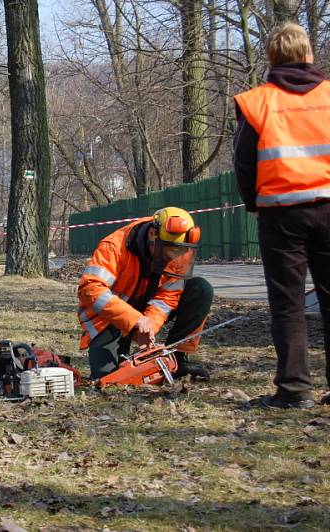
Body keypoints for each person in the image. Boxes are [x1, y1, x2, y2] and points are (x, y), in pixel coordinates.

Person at [233, 22, 330, 409]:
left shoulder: (256, 102)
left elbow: (244, 163)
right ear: (308, 54)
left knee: (288, 303)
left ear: (271, 58)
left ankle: (294, 390)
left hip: (281, 215)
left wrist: (254, 204)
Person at [78, 207, 214, 380]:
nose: (172, 257)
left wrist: (149, 326)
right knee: (108, 378)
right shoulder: (114, 246)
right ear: (152, 234)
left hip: (142, 313)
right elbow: (89, 289)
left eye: (178, 251)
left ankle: (177, 359)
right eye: (168, 250)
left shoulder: (177, 252)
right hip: (109, 319)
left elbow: (167, 298)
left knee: (201, 289)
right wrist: (134, 320)